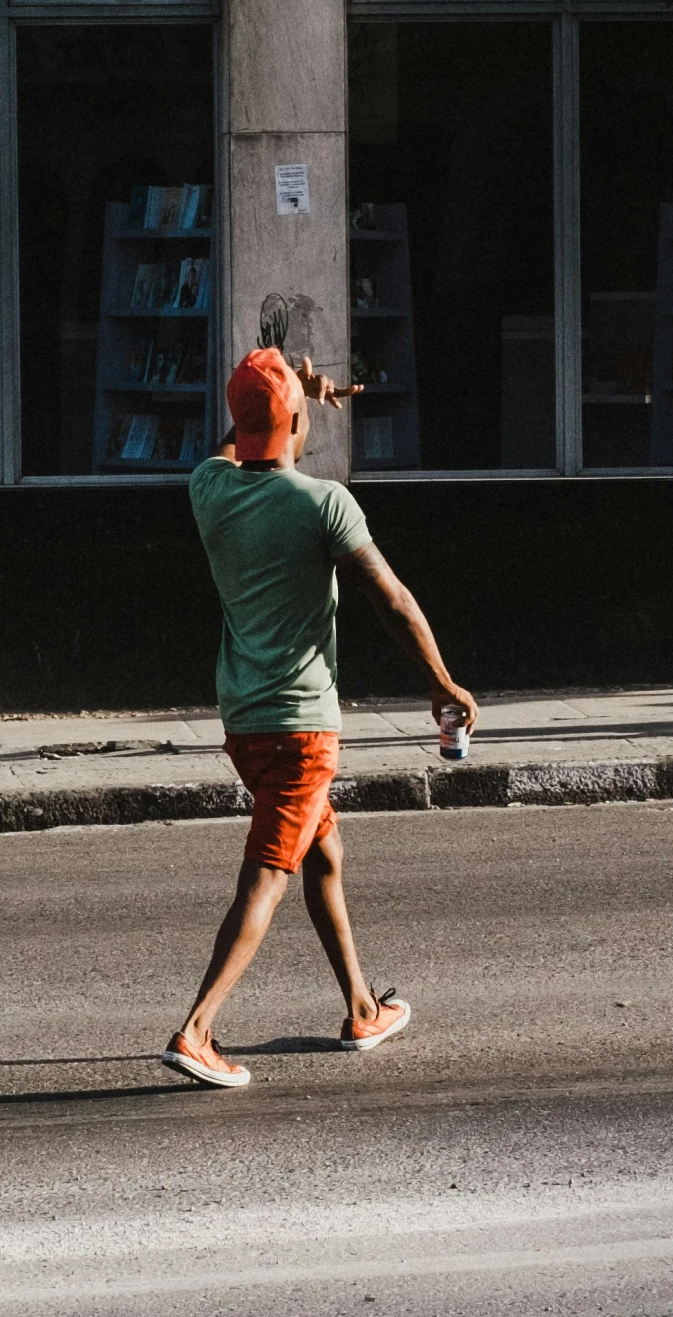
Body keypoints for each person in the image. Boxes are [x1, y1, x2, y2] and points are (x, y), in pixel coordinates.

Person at [163, 345, 478, 1088]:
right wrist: (441, 682)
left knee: (322, 855)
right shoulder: (323, 503)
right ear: (299, 422)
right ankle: (196, 1030)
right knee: (269, 874)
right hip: (301, 726)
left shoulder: (208, 489)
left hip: (243, 722)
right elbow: (392, 600)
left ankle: (361, 1008)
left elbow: (229, 444)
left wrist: (282, 397)